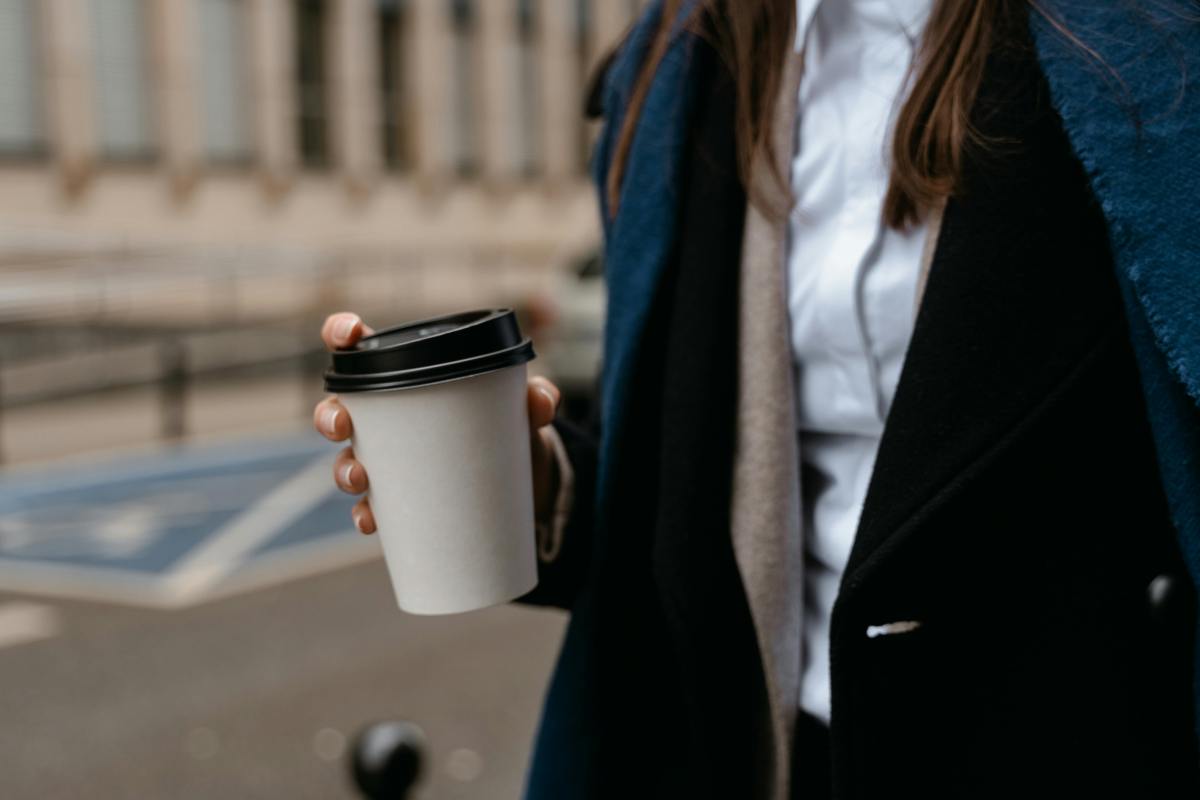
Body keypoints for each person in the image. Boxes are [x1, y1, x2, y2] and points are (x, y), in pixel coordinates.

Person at [314, 1, 1200, 797]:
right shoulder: (678, 63)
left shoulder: (1146, 43)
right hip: (757, 751)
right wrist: (535, 485)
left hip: (1069, 747)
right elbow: (680, 513)